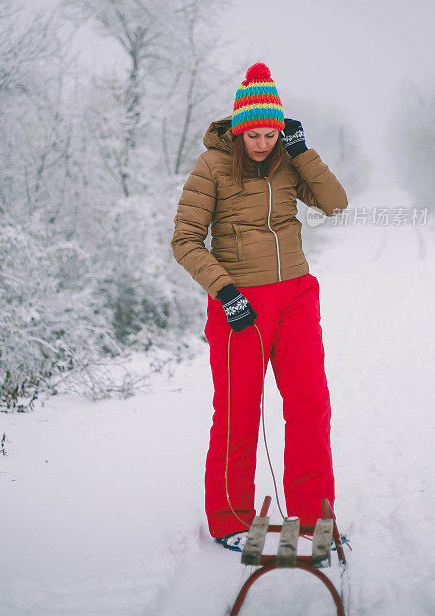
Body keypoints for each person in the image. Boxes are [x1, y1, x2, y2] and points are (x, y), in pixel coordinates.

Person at [171, 62, 348, 552]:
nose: (263, 143)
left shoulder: (291, 160)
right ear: (238, 129)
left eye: (272, 133)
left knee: (311, 405)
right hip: (239, 305)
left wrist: (304, 152)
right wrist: (226, 294)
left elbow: (335, 204)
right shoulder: (211, 166)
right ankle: (230, 518)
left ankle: (315, 519)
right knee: (237, 413)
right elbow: (185, 240)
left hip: (295, 296)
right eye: (254, 134)